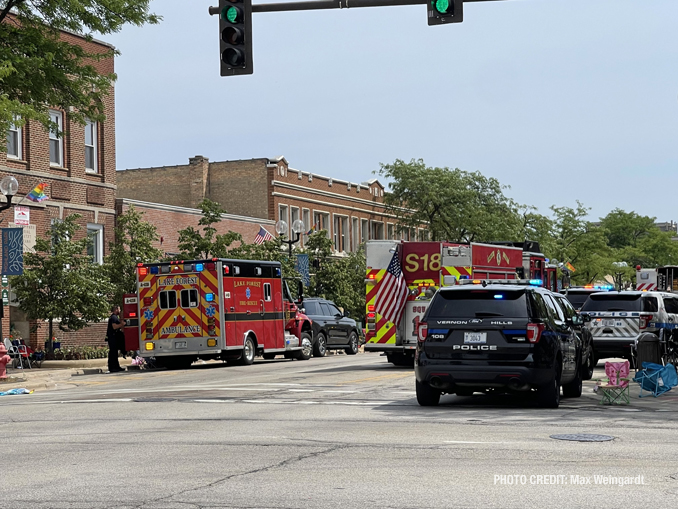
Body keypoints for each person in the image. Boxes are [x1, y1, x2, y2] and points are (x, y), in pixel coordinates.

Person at [106, 305, 125, 373]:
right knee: (113, 353)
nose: (120, 311)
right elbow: (114, 327)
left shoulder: (115, 317)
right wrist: (122, 324)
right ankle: (113, 367)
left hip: (114, 338)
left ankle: (116, 367)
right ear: (116, 309)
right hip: (112, 338)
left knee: (114, 353)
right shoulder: (113, 317)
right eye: (119, 309)